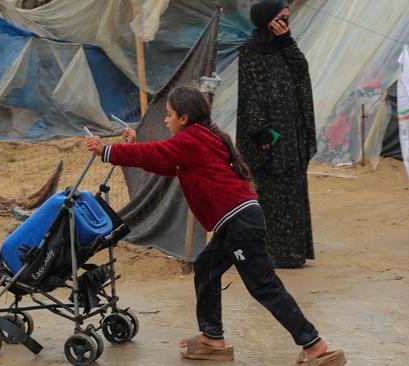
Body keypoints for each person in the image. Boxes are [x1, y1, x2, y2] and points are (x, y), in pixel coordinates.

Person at [84, 86, 345, 365]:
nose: (165, 120)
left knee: (263, 285)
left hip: (238, 221)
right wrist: (130, 147)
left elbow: (158, 153)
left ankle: (315, 345)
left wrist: (107, 151)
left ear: (184, 118)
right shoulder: (201, 137)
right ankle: (212, 338)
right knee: (206, 267)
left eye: (169, 114)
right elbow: (164, 161)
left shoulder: (192, 141)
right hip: (236, 220)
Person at [236, 0, 317, 268]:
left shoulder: (285, 47)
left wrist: (287, 42)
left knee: (293, 194)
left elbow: (301, 72)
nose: (286, 24)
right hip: (269, 138)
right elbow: (250, 95)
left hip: (292, 136)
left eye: (288, 19)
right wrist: (261, 134)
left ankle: (293, 254)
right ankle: (267, 254)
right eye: (281, 19)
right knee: (270, 196)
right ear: (266, 20)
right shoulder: (251, 51)